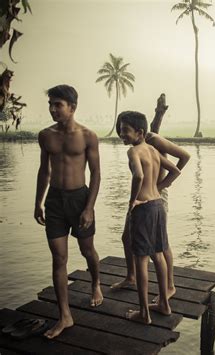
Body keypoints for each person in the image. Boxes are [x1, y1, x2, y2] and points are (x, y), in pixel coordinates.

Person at [34, 84, 103, 339]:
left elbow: (95, 173)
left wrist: (89, 208)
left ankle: (96, 283)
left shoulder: (88, 136)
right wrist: (37, 202)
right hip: (54, 200)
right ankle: (65, 316)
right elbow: (44, 170)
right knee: (59, 258)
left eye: (58, 104)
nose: (53, 109)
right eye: (50, 104)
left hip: (79, 198)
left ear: (72, 107)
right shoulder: (45, 135)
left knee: (87, 250)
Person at [111, 112, 190, 305]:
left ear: (139, 131)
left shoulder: (152, 139)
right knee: (127, 237)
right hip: (145, 195)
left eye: (124, 129)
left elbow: (184, 156)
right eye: (120, 129)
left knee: (160, 245)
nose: (121, 133)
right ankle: (131, 277)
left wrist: (161, 185)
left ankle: (170, 286)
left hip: (155, 193)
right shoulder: (138, 146)